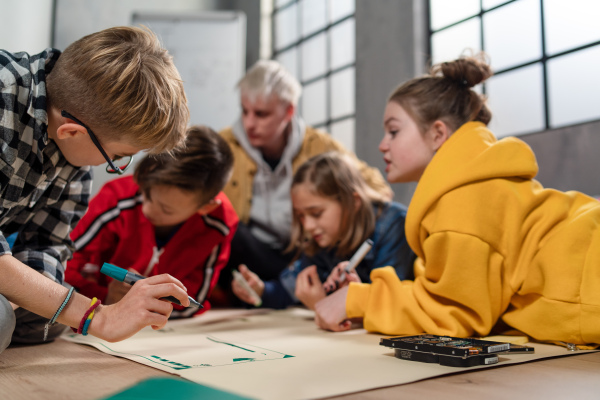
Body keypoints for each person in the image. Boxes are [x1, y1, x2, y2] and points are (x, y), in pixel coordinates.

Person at [313, 54, 600, 347]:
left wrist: (362, 300)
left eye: (394, 131)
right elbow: (449, 294)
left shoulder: (463, 199)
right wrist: (366, 296)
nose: (382, 145)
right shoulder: (468, 188)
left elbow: (455, 315)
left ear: (438, 133)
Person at [0, 26, 191, 354]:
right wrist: (96, 316)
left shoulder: (73, 153)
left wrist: (34, 296)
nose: (115, 166)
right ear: (72, 132)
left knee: (44, 323)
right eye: (118, 157)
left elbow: (47, 244)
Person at [219, 60, 393, 291]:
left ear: (289, 111)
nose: (249, 123)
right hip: (252, 254)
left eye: (261, 114)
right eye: (244, 111)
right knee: (230, 229)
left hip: (309, 250)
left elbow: (377, 189)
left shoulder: (321, 146)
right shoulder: (224, 145)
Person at [66, 125, 238, 317]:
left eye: (166, 210)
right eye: (145, 192)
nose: (146, 209)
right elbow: (62, 265)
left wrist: (146, 306)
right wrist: (105, 298)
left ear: (206, 207)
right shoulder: (116, 199)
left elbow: (194, 299)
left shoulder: (218, 224)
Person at [232, 151, 414, 311]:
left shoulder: (393, 225)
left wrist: (325, 304)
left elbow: (388, 305)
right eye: (301, 216)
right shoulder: (321, 239)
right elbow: (289, 290)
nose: (308, 226)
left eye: (316, 213)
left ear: (353, 203)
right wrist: (261, 290)